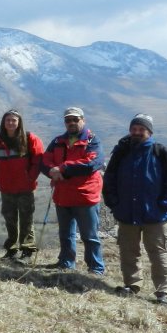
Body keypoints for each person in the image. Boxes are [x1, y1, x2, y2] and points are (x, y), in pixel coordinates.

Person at [103, 114, 167, 304]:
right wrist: (115, 204)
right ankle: (131, 285)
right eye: (134, 129)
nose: (137, 132)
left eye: (141, 129)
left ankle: (163, 292)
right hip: (127, 213)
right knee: (128, 251)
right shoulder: (122, 152)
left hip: (155, 216)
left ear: (149, 132)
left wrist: (164, 206)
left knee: (159, 253)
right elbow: (109, 180)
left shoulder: (161, 153)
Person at [41, 107, 105, 275]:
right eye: (68, 120)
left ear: (83, 120)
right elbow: (44, 160)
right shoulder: (57, 141)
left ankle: (96, 268)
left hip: (85, 196)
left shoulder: (93, 141)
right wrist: (51, 171)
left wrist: (62, 169)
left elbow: (91, 165)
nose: (71, 123)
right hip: (63, 195)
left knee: (89, 236)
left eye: (75, 119)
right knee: (66, 234)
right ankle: (66, 263)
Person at [0, 110, 44, 262]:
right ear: (3, 123)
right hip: (6, 189)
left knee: (26, 219)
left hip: (25, 188)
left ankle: (27, 251)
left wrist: (30, 178)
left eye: (14, 120)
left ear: (19, 122)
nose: (11, 123)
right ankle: (11, 250)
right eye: (8, 120)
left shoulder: (29, 138)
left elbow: (37, 161)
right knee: (10, 219)